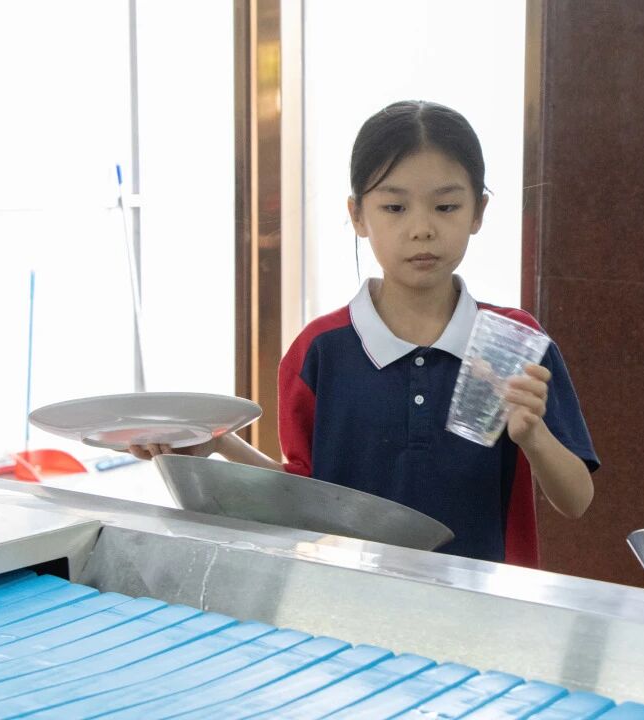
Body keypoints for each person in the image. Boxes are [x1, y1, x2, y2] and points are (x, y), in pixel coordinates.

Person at [131, 100, 599, 566]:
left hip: (486, 605)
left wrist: (533, 435)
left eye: (446, 206)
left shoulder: (511, 342)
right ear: (357, 215)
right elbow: (301, 496)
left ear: (479, 211)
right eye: (394, 207)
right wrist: (217, 442)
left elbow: (577, 500)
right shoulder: (320, 351)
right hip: (349, 601)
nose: (421, 229)